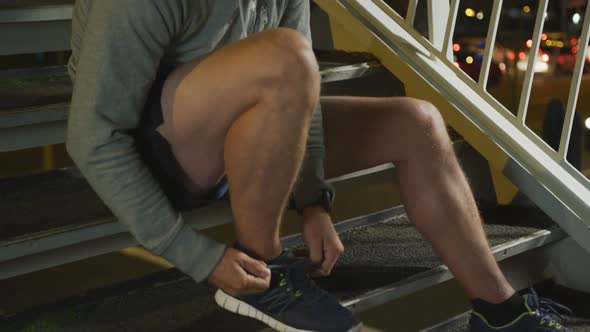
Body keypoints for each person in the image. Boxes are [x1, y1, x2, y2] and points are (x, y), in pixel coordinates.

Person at [66, 1, 571, 331]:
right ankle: (266, 276)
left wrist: (311, 201)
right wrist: (196, 255)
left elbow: (299, 90)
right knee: (283, 53)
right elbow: (92, 138)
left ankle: (500, 312)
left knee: (418, 122)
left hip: (240, 125)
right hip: (156, 151)